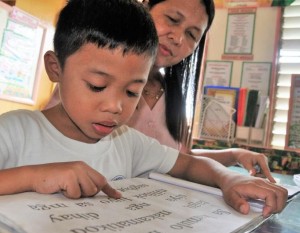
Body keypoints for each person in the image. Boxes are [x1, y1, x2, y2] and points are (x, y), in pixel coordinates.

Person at [17, 0, 287, 218]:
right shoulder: (73, 95)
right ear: (145, 9)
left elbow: (179, 159)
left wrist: (233, 158)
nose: (178, 37)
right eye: (172, 19)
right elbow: (51, 147)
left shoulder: (171, 98)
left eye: (193, 34)